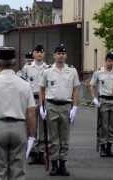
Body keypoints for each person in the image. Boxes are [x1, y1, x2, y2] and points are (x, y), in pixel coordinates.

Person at [0, 47, 36, 180]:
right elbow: (31, 113)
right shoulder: (24, 84)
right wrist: (32, 136)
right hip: (19, 126)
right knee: (18, 170)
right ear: (14, 62)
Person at [39, 44, 80, 176]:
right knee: (53, 138)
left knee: (64, 138)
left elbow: (75, 90)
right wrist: (41, 106)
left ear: (66, 56)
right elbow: (42, 89)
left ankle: (63, 164)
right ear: (54, 55)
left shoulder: (72, 71)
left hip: (66, 106)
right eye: (58, 53)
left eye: (63, 53)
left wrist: (75, 107)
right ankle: (54, 164)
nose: (61, 55)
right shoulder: (47, 71)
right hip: (51, 105)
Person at [89, 52, 113, 158]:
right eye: (108, 60)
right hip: (103, 101)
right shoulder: (99, 73)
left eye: (112, 61)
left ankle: (109, 147)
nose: (110, 63)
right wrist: (94, 98)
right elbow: (92, 85)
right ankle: (102, 147)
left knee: (112, 126)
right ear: (105, 60)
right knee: (104, 126)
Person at [21, 45, 49, 164]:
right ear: (33, 54)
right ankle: (32, 152)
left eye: (41, 52)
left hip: (44, 100)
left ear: (44, 54)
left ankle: (41, 152)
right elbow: (22, 84)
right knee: (31, 127)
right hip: (31, 100)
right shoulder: (27, 68)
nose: (39, 54)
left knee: (43, 127)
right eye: (37, 52)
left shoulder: (48, 68)